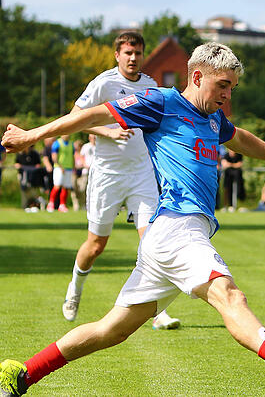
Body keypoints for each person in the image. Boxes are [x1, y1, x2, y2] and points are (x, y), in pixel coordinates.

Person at [0, 42, 265, 397]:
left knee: (112, 329)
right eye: (223, 86)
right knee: (230, 295)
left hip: (166, 236)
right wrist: (32, 135)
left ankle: (24, 374)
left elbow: (240, 138)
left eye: (232, 87)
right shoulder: (161, 102)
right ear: (197, 77)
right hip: (177, 229)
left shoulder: (213, 116)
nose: (227, 96)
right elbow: (93, 115)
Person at [62, 32, 178, 331]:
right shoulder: (104, 83)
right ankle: (75, 289)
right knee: (96, 245)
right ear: (117, 55)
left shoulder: (151, 86)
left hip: (141, 175)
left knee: (152, 242)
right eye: (127, 52)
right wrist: (108, 131)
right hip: (107, 175)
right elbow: (75, 117)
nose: (133, 58)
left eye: (138, 52)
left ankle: (157, 311)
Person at [48, 135, 74, 213]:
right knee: (57, 186)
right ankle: (51, 204)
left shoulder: (71, 144)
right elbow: (54, 156)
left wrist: (74, 166)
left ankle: (62, 205)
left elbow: (72, 156)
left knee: (65, 187)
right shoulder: (57, 143)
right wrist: (60, 166)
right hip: (59, 168)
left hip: (68, 168)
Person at [14, 145, 43, 211]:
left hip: (33, 177)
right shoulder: (20, 154)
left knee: (33, 192)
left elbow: (38, 165)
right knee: (24, 191)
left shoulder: (35, 154)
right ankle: (24, 206)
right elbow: (16, 164)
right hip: (22, 175)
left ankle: (34, 205)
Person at [221, 147, 245, 211]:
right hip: (228, 175)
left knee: (239, 188)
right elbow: (224, 164)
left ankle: (238, 204)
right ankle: (227, 205)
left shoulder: (239, 155)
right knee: (227, 189)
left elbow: (240, 165)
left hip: (237, 176)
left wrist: (230, 164)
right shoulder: (226, 155)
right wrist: (234, 165)